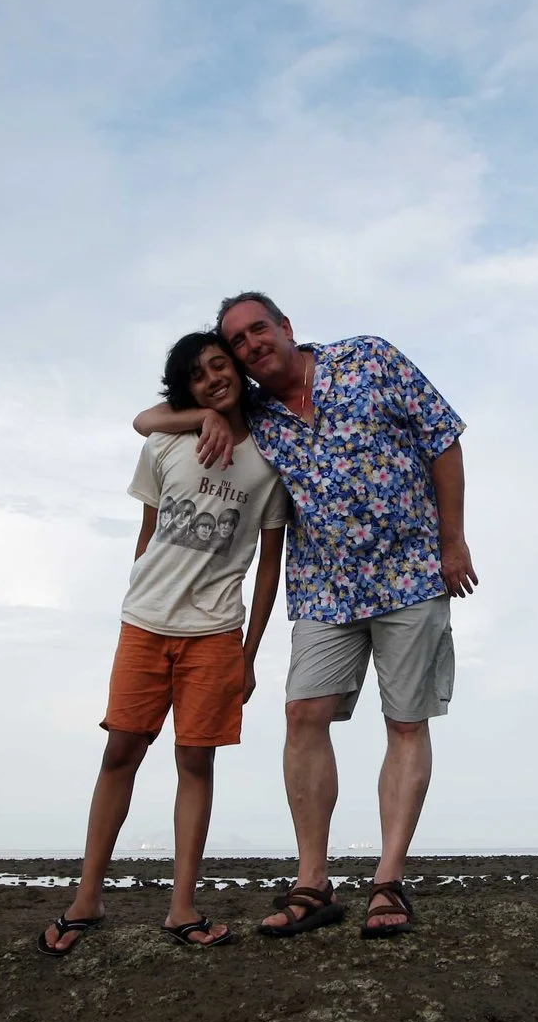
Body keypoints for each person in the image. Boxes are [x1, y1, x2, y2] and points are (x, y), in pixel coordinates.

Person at [133, 292, 472, 939]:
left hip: (411, 574)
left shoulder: (369, 358)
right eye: (237, 340)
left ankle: (388, 882)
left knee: (405, 722)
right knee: (302, 714)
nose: (252, 342)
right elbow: (148, 418)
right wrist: (205, 416)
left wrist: (452, 539)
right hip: (323, 587)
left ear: (286, 328)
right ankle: (313, 882)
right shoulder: (251, 414)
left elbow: (442, 436)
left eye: (259, 328)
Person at [38, 332, 289, 956]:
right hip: (145, 625)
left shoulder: (269, 458)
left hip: (214, 635)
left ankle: (182, 908)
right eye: (198, 375)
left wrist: (249, 651)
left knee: (195, 763)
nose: (212, 379)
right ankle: (86, 899)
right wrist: (145, 597)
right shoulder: (163, 444)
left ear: (236, 371)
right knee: (119, 753)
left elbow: (268, 567)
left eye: (219, 365)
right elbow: (146, 533)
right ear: (187, 389)